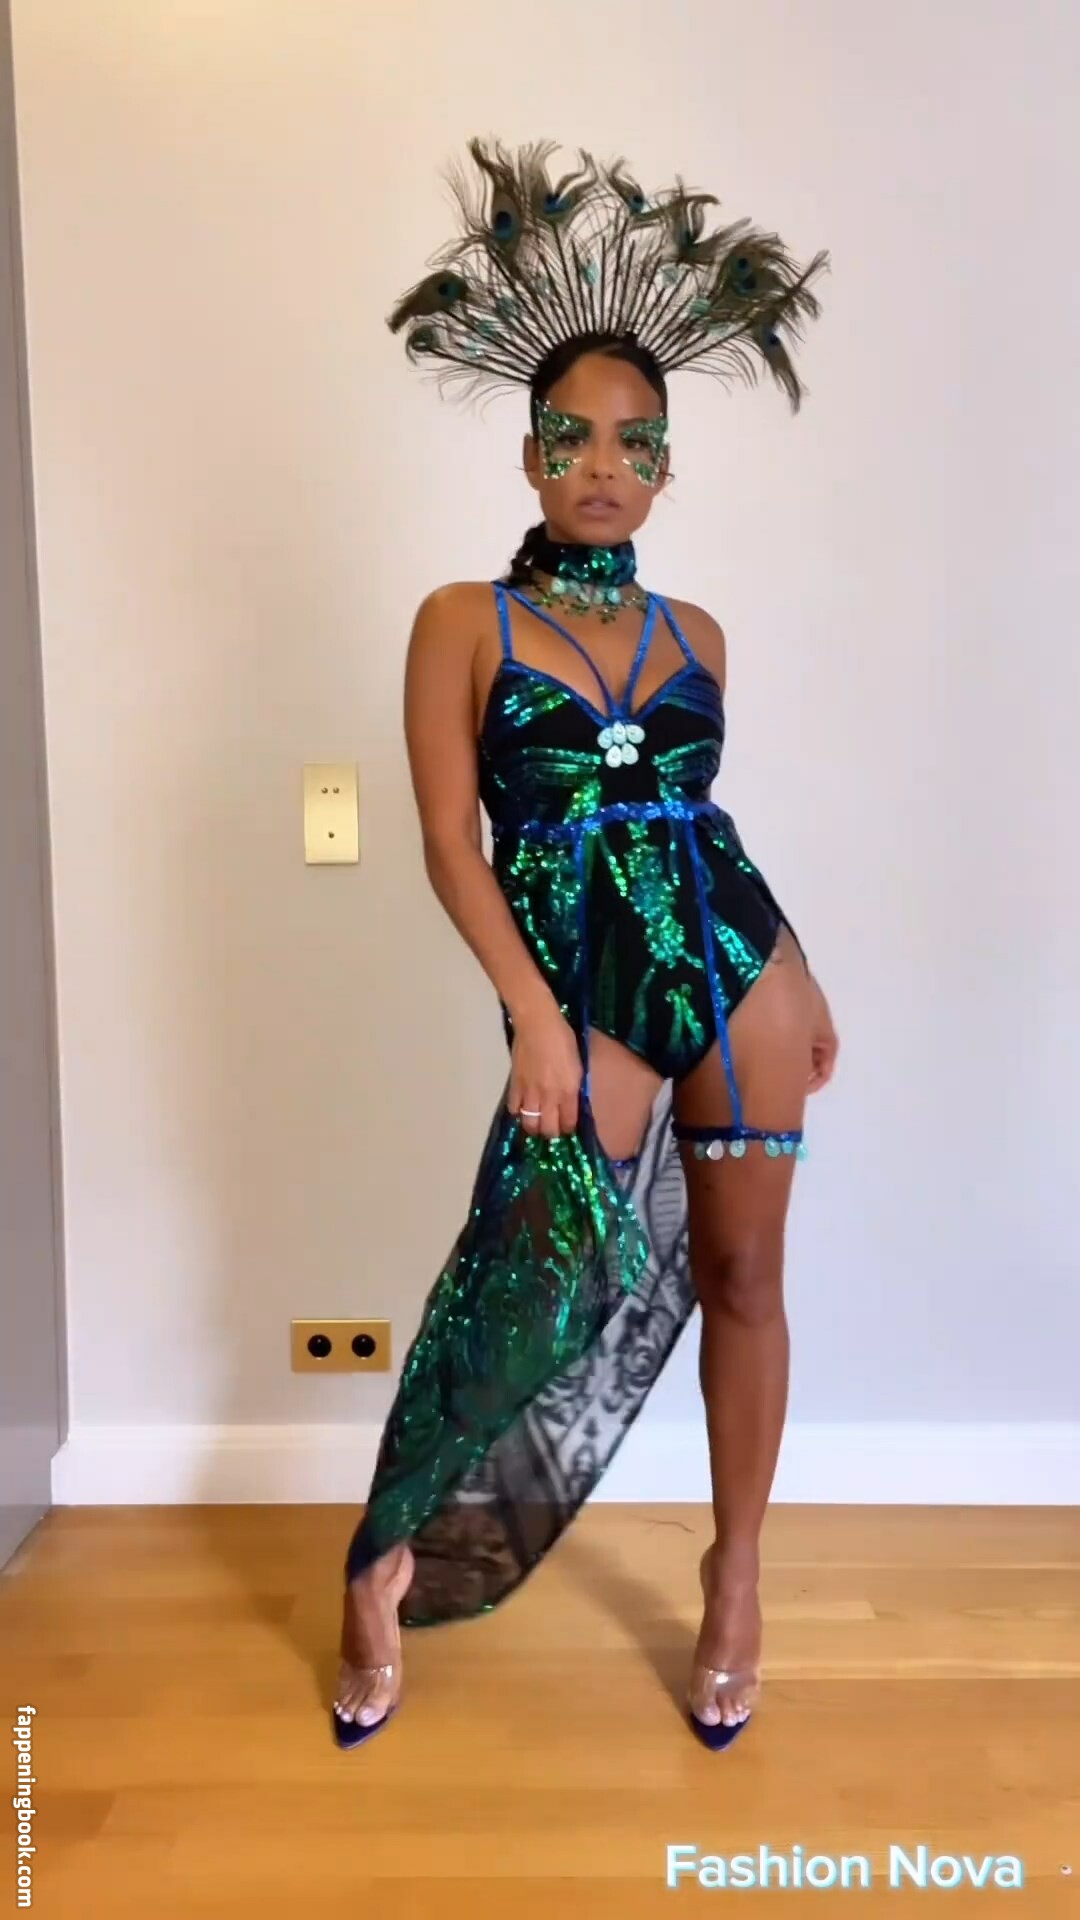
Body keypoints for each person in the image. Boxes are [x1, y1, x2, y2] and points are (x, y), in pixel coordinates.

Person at [332, 140, 839, 1754]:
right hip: (583, 992)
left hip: (741, 977)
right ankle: (384, 1559)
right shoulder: (461, 622)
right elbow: (450, 842)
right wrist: (535, 1017)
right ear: (531, 454)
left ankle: (736, 1576)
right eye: (573, 436)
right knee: (530, 1277)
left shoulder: (701, 638)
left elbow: (700, 826)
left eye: (635, 441)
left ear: (666, 465)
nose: (604, 465)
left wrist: (801, 964)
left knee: (747, 1274)